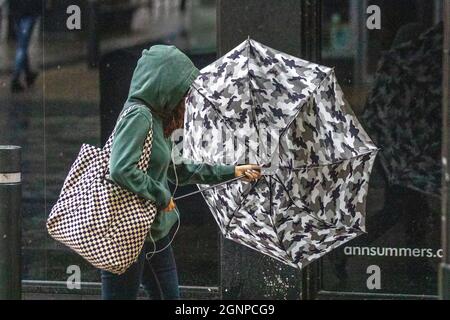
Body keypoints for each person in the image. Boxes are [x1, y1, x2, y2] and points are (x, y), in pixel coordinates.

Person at [101, 45, 261, 300]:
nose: (186, 98)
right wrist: (161, 195)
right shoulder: (139, 116)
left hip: (154, 232)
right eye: (183, 90)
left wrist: (233, 171)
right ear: (164, 85)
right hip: (127, 232)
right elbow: (120, 169)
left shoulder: (156, 119)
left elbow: (179, 170)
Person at [9, 0, 42, 93]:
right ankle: (15, 79)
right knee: (22, 47)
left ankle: (28, 75)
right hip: (29, 12)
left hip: (16, 12)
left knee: (22, 44)